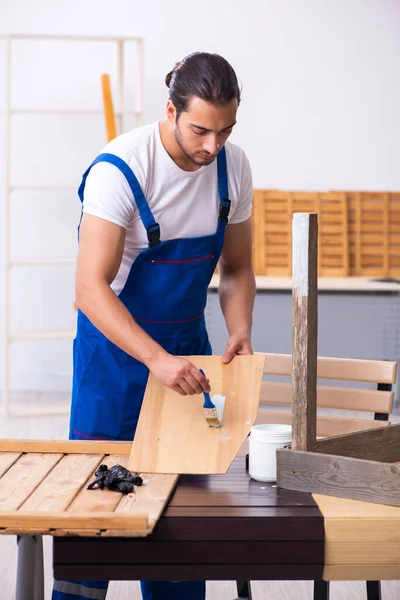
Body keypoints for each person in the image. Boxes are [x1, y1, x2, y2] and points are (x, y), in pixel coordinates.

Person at [52, 51, 256, 600]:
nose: (212, 147)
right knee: (96, 511)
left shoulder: (232, 167)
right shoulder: (119, 170)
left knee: (184, 514)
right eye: (200, 130)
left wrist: (238, 325)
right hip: (115, 360)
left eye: (225, 130)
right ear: (170, 109)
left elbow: (237, 268)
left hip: (189, 352)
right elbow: (89, 289)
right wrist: (155, 360)